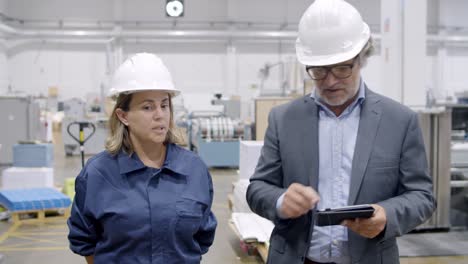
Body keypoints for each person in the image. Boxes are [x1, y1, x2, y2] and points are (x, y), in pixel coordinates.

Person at [246, 1, 436, 264]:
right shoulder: (284, 119)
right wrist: (280, 201)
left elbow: (422, 196)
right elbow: (257, 188)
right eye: (319, 70)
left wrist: (387, 216)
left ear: (362, 59)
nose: (331, 80)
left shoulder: (399, 121)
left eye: (342, 68)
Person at [67, 53, 217, 264]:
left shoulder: (194, 169)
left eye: (164, 105)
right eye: (147, 107)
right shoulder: (98, 173)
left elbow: (202, 237)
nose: (160, 115)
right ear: (123, 116)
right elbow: (84, 240)